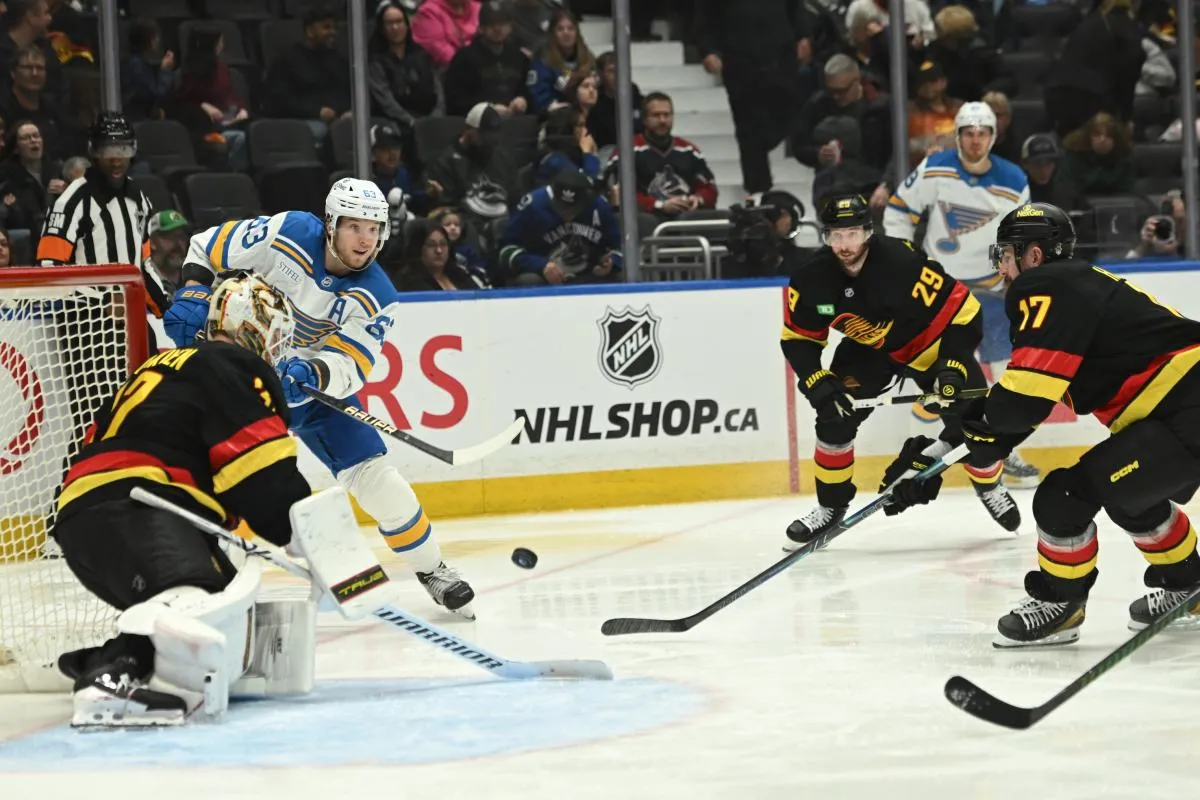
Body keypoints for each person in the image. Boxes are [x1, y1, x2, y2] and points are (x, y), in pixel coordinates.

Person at [161, 178, 476, 619]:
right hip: (239, 380)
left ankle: (434, 569)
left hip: (309, 392)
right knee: (215, 476)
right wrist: (192, 291)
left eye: (373, 229)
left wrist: (313, 372)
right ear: (330, 224)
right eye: (354, 227)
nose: (365, 239)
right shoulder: (286, 233)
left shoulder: (377, 294)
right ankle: (200, 578)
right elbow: (207, 247)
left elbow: (353, 364)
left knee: (376, 476)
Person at [53, 272, 311, 728]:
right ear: (253, 329)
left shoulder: (162, 366)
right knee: (198, 596)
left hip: (86, 515)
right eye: (274, 338)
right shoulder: (230, 366)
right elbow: (260, 471)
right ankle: (109, 680)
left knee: (220, 598)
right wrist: (308, 535)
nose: (275, 352)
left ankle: (112, 657)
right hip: (137, 504)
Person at [944, 202, 1200, 646]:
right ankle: (1189, 586)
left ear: (1034, 255)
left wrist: (981, 432)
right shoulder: (1075, 283)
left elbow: (1022, 403)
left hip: (1187, 411)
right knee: (1131, 498)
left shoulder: (1044, 285)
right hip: (1181, 411)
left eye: (1007, 254)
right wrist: (977, 433)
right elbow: (1030, 399)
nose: (1003, 267)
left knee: (1064, 497)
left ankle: (1062, 604)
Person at [781, 192, 1020, 550]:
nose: (845, 245)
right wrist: (815, 379)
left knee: (976, 423)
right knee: (833, 418)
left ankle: (989, 483)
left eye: (852, 235)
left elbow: (965, 311)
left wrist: (953, 364)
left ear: (868, 232)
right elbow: (797, 339)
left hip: (933, 347)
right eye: (836, 236)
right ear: (826, 236)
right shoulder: (810, 280)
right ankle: (829, 506)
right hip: (870, 352)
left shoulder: (901, 262)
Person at [882, 101, 1039, 490]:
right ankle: (945, 445)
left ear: (993, 136)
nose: (975, 140)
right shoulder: (934, 168)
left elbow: (1022, 235)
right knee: (947, 371)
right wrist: (904, 266)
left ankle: (1005, 447)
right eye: (967, 132)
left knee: (1005, 367)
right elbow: (898, 212)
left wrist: (1017, 275)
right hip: (941, 291)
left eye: (982, 132)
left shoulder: (1014, 178)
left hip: (992, 286)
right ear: (957, 136)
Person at [498, 168, 622, 286]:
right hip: (544, 278)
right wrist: (540, 265)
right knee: (528, 281)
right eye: (562, 208)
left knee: (623, 276)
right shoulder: (532, 205)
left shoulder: (599, 206)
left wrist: (612, 263)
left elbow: (623, 245)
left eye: (573, 209)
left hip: (590, 275)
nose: (567, 215)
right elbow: (506, 250)